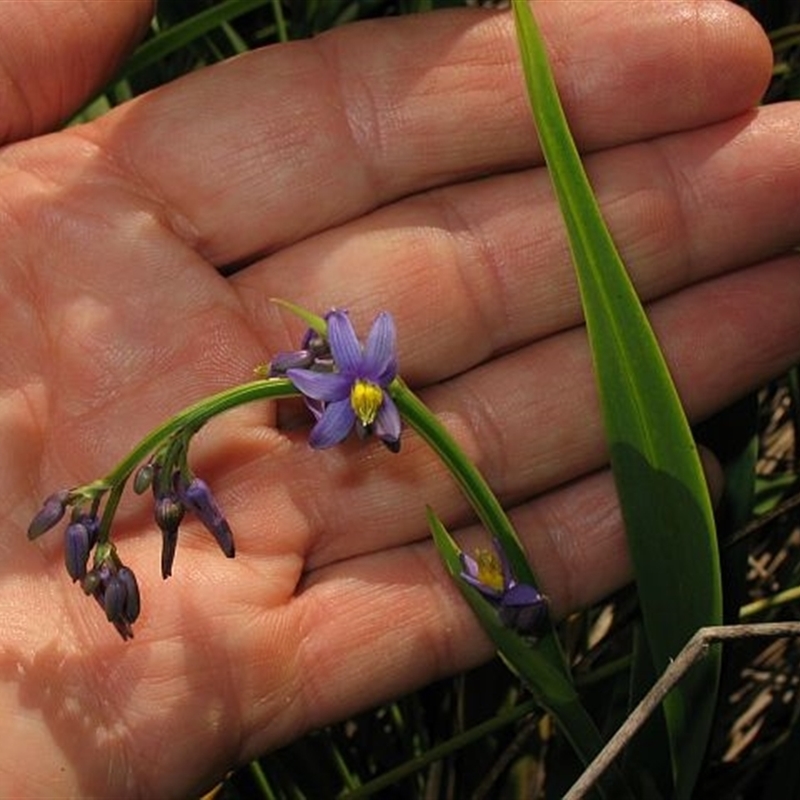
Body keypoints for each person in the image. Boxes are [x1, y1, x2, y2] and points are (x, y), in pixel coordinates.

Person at [2, 1, 798, 796]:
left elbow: (365, 412)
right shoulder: (350, 393)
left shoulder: (362, 384)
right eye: (359, 399)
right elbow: (354, 416)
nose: (370, 410)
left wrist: (358, 397)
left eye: (364, 397)